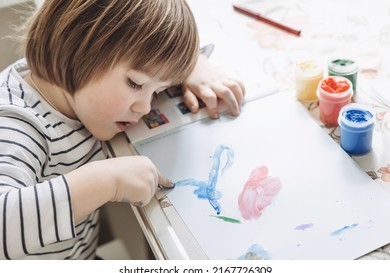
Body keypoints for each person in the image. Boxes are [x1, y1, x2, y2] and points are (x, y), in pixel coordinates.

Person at [0, 0, 245, 259]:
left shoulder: (75, 93)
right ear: (79, 49)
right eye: (136, 84)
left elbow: (145, 45)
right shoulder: (17, 123)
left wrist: (195, 66)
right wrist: (107, 181)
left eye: (159, 90)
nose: (145, 106)